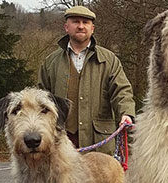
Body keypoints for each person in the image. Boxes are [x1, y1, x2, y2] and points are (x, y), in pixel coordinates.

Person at [38, 5, 135, 155]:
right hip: (61, 141)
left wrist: (126, 114)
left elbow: (122, 91)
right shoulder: (50, 62)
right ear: (66, 27)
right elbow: (40, 100)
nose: (81, 26)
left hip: (98, 141)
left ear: (92, 28)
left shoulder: (109, 60)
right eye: (76, 21)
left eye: (85, 22)